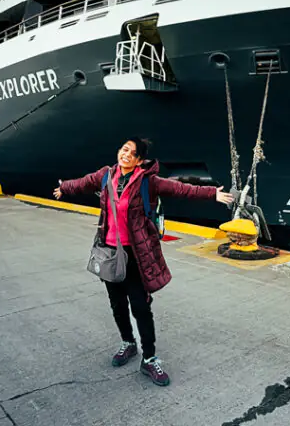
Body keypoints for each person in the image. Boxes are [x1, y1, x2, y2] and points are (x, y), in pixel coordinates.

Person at [54, 137, 234, 386]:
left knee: (140, 307)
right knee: (117, 303)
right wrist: (64, 188)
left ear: (139, 160)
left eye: (132, 153)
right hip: (110, 253)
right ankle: (128, 343)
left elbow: (181, 189)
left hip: (137, 254)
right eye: (124, 149)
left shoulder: (148, 181)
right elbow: (83, 183)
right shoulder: (106, 175)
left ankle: (149, 359)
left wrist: (213, 194)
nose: (126, 154)